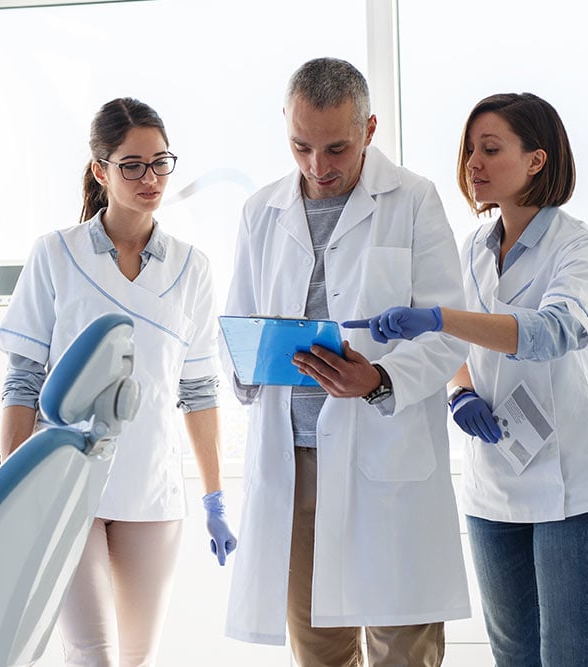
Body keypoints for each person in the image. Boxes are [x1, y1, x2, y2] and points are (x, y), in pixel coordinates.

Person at [348, 92, 588, 666]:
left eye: (491, 149)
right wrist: (461, 388)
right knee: (512, 656)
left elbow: (553, 331)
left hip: (571, 485)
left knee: (567, 657)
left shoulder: (582, 247)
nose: (473, 162)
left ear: (537, 161)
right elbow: (453, 346)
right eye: (470, 149)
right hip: (493, 485)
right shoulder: (474, 247)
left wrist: (441, 317)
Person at [222, 57, 471, 666]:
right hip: (295, 464)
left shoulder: (413, 200)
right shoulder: (262, 211)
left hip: (384, 462)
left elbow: (449, 332)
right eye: (301, 146)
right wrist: (251, 361)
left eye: (336, 148)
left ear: (370, 129)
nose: (318, 167)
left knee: (403, 652)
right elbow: (235, 328)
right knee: (319, 653)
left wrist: (379, 378)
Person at [0, 97, 237, 666]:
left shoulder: (190, 266)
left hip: (151, 489)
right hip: (64, 485)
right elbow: (23, 380)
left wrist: (215, 496)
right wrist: (13, 489)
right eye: (132, 165)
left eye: (160, 162)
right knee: (92, 653)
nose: (150, 178)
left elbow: (198, 391)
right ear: (101, 170)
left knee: (135, 657)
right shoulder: (56, 254)